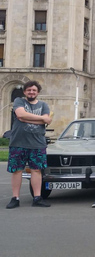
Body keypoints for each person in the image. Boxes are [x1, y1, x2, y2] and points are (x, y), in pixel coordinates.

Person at [6, 81, 52, 209]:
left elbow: (47, 119)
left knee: (36, 170)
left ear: (38, 92)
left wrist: (26, 118)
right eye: (29, 90)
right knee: (17, 170)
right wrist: (40, 118)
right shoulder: (19, 101)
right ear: (25, 92)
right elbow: (20, 115)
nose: (31, 92)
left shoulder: (44, 105)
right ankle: (15, 198)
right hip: (18, 143)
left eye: (34, 90)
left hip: (37, 143)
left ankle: (37, 197)